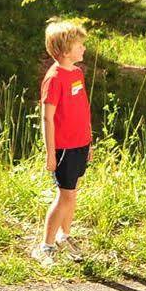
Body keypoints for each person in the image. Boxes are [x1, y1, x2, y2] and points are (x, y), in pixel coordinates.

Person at [34, 18, 92, 265]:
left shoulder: (77, 73)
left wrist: (89, 141)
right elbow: (47, 118)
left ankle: (63, 236)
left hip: (81, 144)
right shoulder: (54, 78)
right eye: (80, 45)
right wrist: (50, 153)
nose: (84, 49)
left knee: (72, 193)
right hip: (64, 147)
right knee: (64, 196)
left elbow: (83, 109)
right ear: (64, 50)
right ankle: (45, 246)